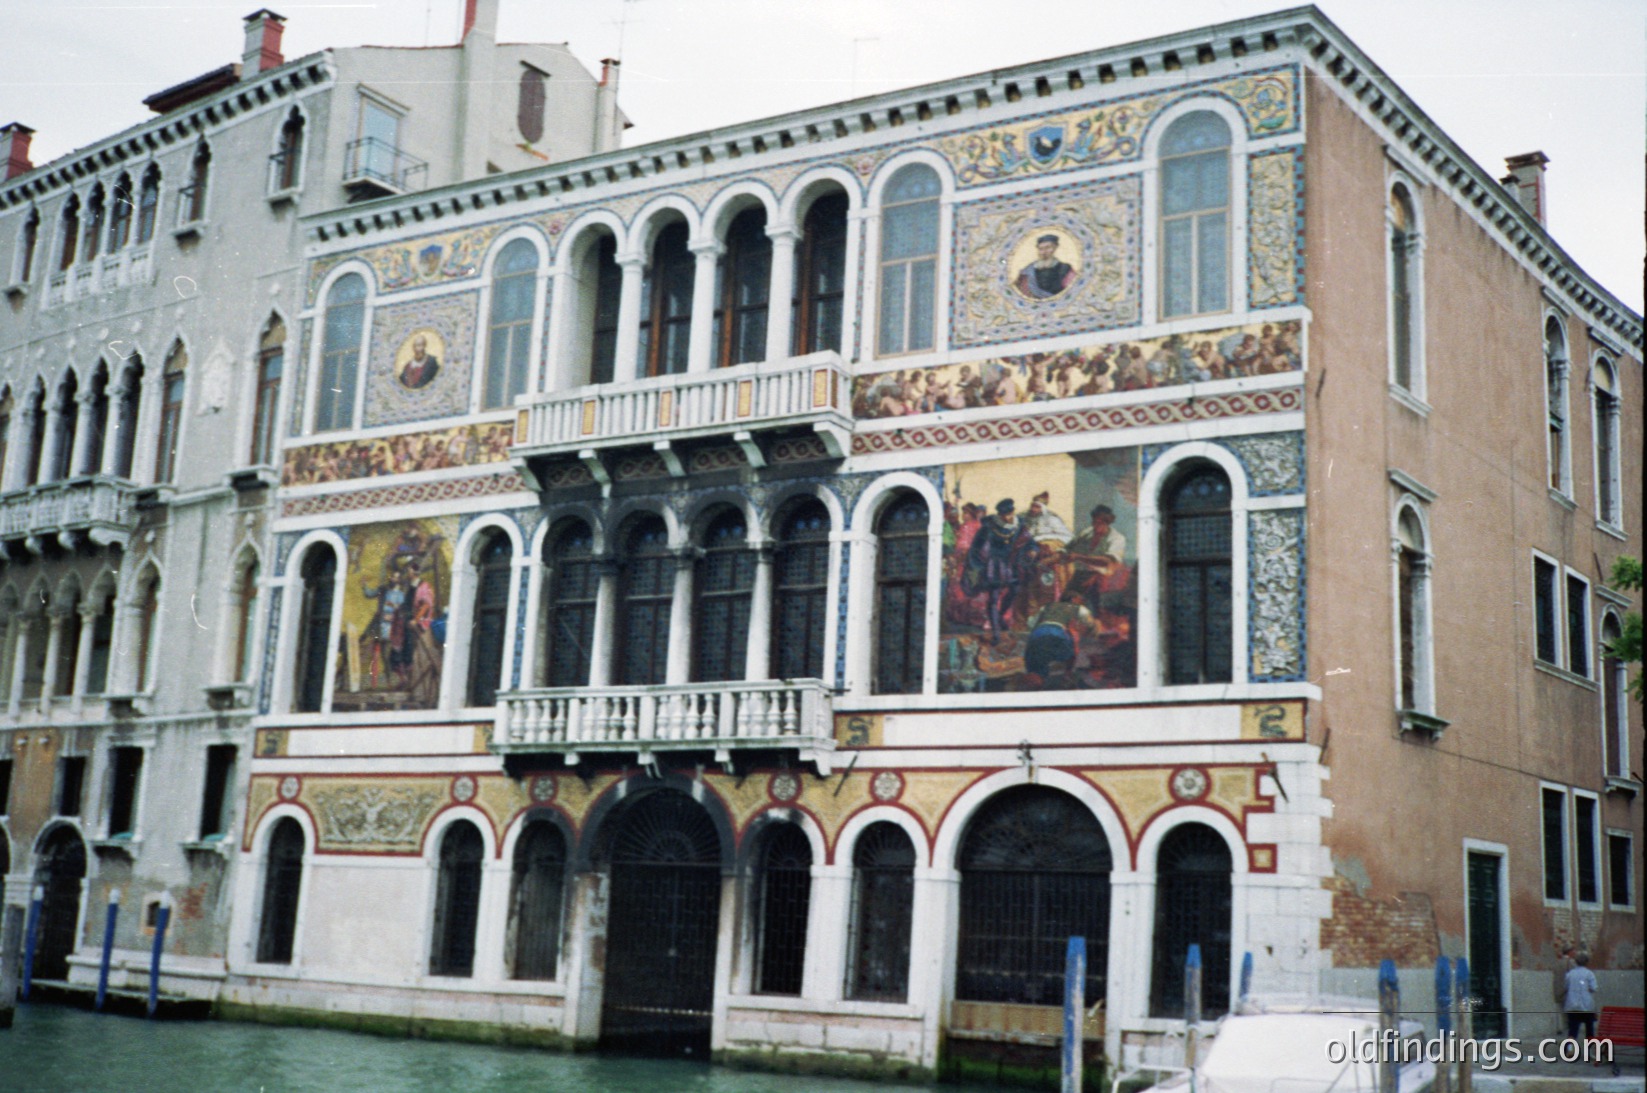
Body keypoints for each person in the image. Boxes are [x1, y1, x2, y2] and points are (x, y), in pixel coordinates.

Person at [963, 498, 1035, 645]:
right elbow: (977, 548)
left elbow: (1030, 542)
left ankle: (1000, 617)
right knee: (994, 598)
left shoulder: (1019, 525)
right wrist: (978, 565)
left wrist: (1033, 550)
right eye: (1005, 515)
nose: (1009, 517)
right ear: (1000, 515)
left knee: (1014, 590)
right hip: (993, 566)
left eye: (1011, 514)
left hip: (1012, 564)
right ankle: (996, 633)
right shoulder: (988, 527)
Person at [1015, 234, 1077, 299]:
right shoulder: (1029, 270)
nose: (1044, 252)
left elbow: (1072, 292)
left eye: (1047, 248)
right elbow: (1021, 292)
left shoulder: (1065, 269)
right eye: (1041, 249)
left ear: (1055, 248)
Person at [1562, 952, 1599, 1044]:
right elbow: (1594, 988)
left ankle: (1570, 1048)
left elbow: (1565, 987)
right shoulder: (1589, 974)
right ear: (1587, 962)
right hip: (1587, 1006)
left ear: (1576, 962)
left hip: (1572, 1005)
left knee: (1573, 1029)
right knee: (1589, 1029)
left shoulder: (1570, 974)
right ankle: (1589, 1050)